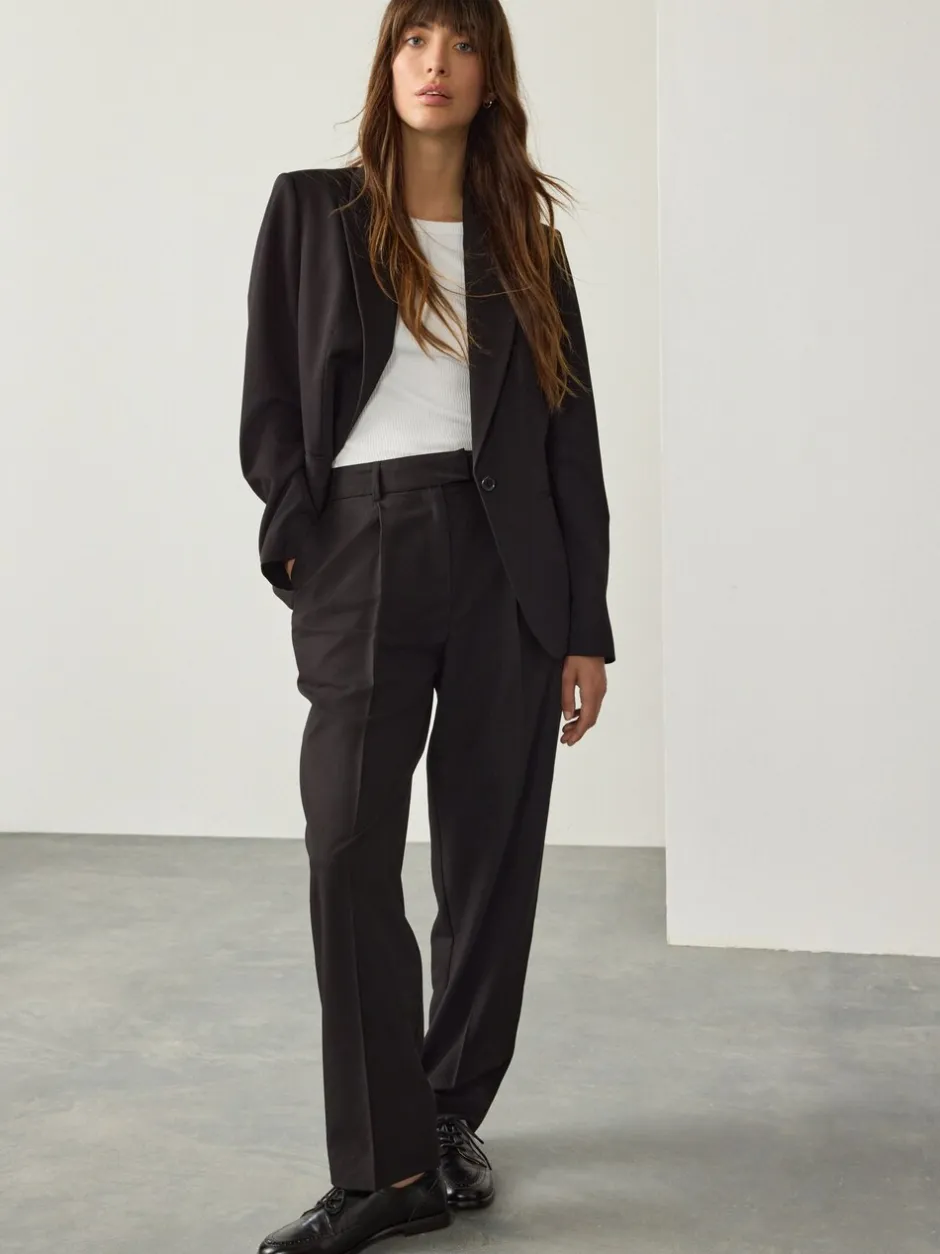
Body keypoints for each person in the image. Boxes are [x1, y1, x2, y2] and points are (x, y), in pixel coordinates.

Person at [239, 2, 615, 1251]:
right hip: (364, 544)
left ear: (489, 74)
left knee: (487, 858)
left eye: (459, 44)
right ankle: (382, 1169)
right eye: (413, 40)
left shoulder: (526, 245)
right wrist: (301, 534)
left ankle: (448, 1114)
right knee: (348, 845)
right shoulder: (313, 210)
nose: (434, 65)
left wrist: (584, 624)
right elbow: (271, 393)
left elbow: (569, 444)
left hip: (510, 569)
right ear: (386, 61)